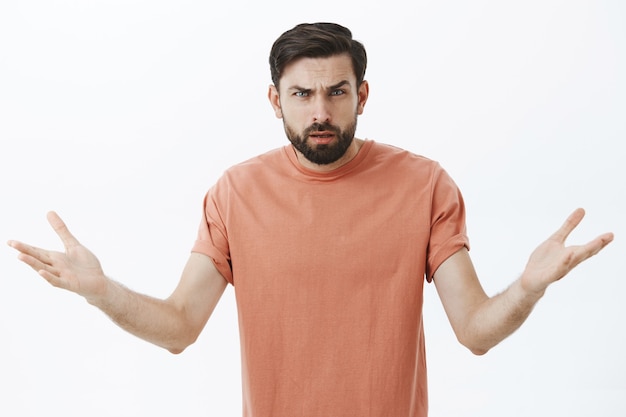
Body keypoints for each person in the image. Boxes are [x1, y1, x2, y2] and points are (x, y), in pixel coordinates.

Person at [8, 22, 613, 417]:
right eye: (301, 95)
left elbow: (476, 331)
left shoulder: (424, 184)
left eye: (336, 92)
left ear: (363, 94)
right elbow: (179, 327)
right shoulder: (235, 192)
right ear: (275, 100)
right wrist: (99, 291)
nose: (320, 112)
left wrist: (530, 287)